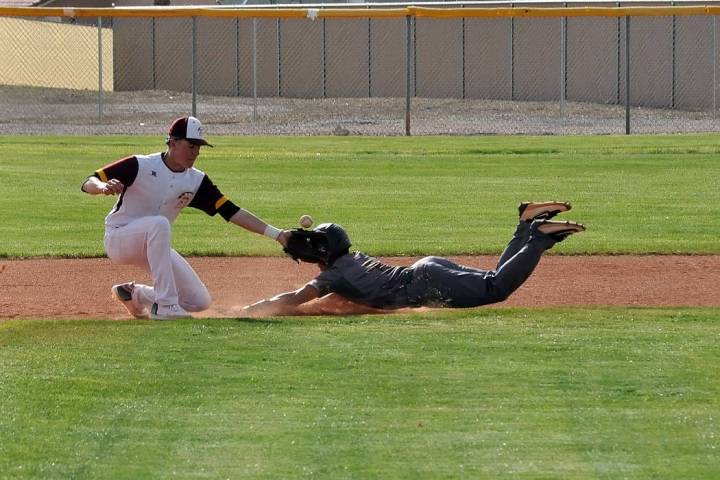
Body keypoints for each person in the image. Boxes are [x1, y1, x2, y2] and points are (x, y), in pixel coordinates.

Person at [82, 115, 290, 320]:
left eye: (199, 147)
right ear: (173, 143)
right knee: (160, 224)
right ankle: (165, 306)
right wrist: (102, 187)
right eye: (191, 146)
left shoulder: (196, 180)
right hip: (120, 239)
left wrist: (277, 234)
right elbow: (89, 181)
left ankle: (133, 294)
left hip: (155, 243)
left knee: (199, 301)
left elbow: (232, 211)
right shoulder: (140, 164)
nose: (196, 152)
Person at [241, 202, 585, 317]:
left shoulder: (333, 277)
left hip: (427, 280)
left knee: (496, 288)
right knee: (493, 279)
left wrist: (248, 310)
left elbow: (294, 300)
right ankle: (526, 224)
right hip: (428, 269)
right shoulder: (350, 262)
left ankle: (536, 237)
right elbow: (343, 303)